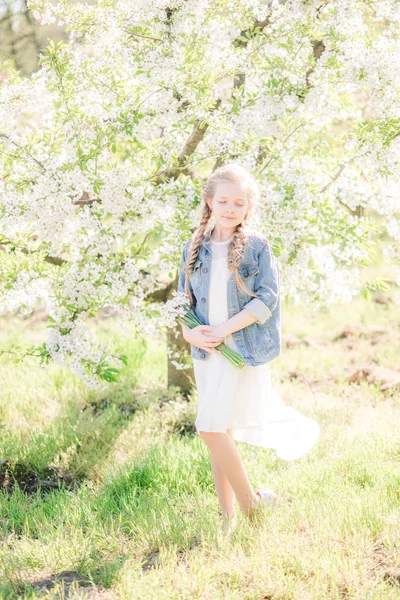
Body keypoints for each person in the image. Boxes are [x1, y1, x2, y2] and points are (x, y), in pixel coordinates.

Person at [177, 163, 320, 531]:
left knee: (209, 428)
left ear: (247, 208)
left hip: (237, 349)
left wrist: (225, 328)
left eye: (239, 203)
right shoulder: (194, 248)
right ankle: (228, 519)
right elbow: (183, 301)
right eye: (223, 200)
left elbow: (267, 299)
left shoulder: (255, 248)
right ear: (209, 201)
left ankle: (253, 507)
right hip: (206, 351)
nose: (230, 208)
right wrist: (190, 333)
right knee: (219, 431)